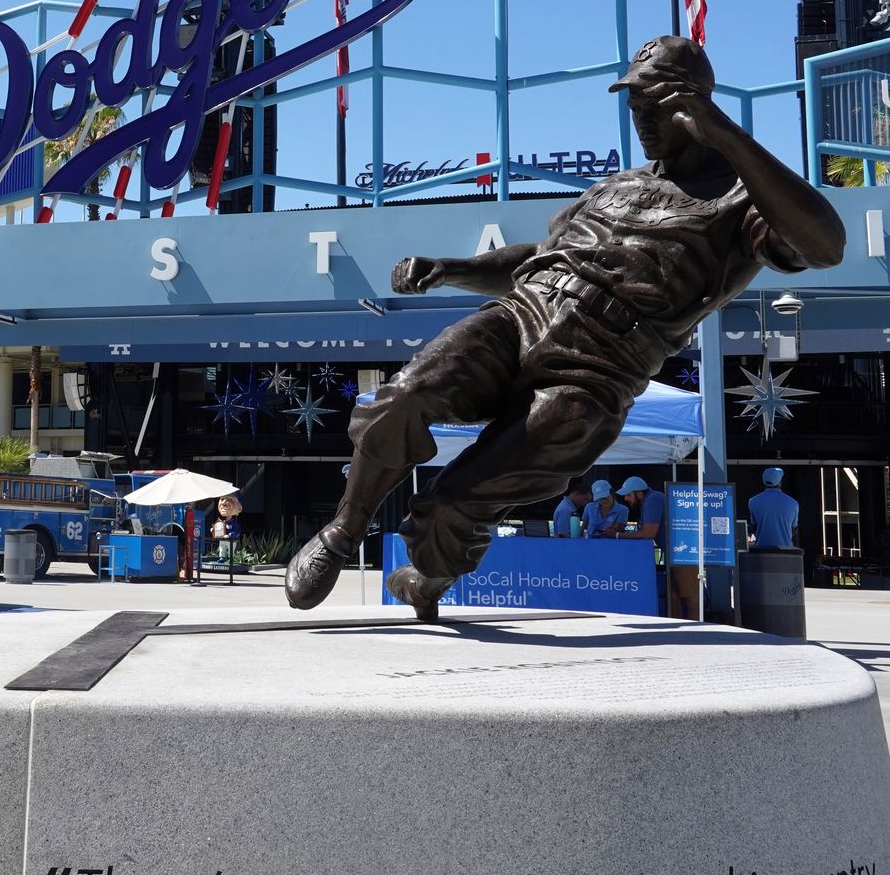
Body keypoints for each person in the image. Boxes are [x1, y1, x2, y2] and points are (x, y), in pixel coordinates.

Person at [285, 35, 845, 619]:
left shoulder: (743, 203)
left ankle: (427, 578)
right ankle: (343, 533)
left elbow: (827, 245)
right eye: (635, 107)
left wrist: (725, 134)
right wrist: (451, 269)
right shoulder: (615, 185)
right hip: (526, 313)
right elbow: (540, 258)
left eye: (657, 106)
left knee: (461, 497)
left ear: (695, 106)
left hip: (600, 366)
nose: (644, 121)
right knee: (405, 395)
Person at [747, 467, 800, 550]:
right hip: (786, 552)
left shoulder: (753, 501)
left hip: (761, 552)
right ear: (780, 482)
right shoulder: (793, 503)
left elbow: (754, 526)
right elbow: (794, 528)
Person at [619, 475, 665, 544]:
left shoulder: (652, 499)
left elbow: (648, 534)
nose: (625, 499)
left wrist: (617, 535)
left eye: (628, 495)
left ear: (639, 494)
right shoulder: (651, 499)